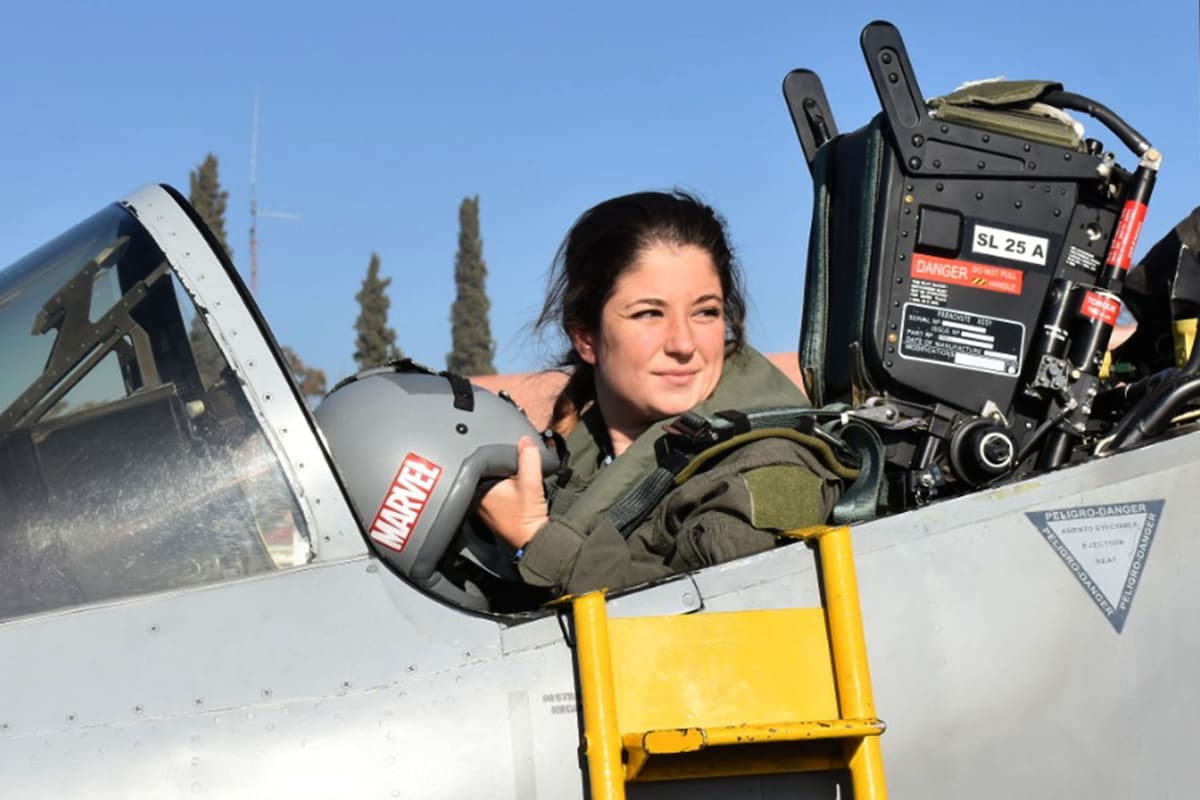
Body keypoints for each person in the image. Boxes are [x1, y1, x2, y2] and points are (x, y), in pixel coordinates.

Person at [477, 190, 845, 596]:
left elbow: (731, 630)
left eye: (705, 312)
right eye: (650, 313)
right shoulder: (573, 467)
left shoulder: (762, 470)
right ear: (585, 337)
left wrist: (535, 540)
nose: (684, 344)